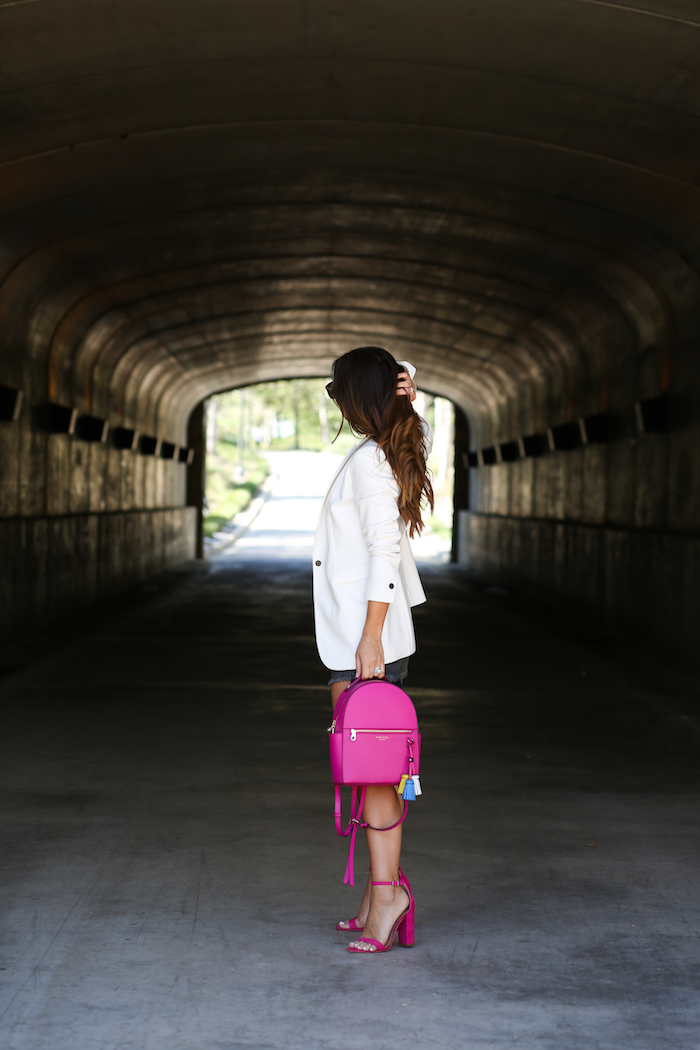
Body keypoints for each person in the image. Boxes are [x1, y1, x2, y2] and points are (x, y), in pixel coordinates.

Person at [312, 345, 434, 954]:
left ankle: (389, 898)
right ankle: (374, 898)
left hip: (364, 642)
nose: (337, 403)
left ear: (362, 396)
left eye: (340, 392)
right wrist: (411, 389)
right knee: (368, 775)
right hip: (364, 637)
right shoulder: (391, 448)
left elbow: (385, 554)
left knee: (376, 778)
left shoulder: (370, 462)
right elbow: (421, 431)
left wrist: (368, 638)